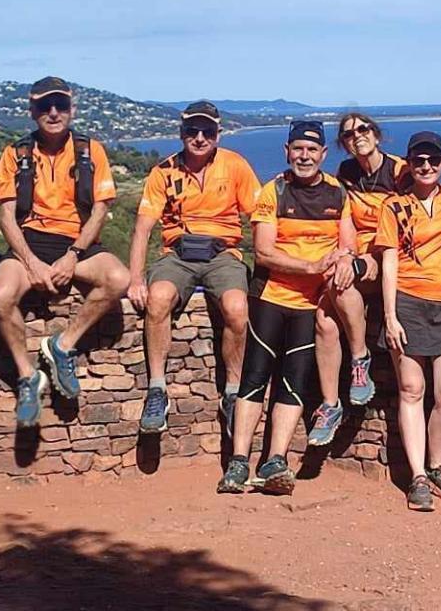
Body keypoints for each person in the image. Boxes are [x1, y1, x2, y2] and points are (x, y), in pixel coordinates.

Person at [217, 121, 358, 495]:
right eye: (298, 149)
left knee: (293, 384)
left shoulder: (337, 193)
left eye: (312, 150)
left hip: (312, 305)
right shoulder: (272, 192)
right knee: (254, 379)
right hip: (271, 298)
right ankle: (238, 462)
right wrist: (311, 266)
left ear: (323, 155)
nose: (304, 156)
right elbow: (263, 251)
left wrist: (345, 259)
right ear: (287, 151)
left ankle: (275, 460)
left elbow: (348, 243)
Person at [0, 77, 130, 428]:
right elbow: (5, 215)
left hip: (76, 241)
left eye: (60, 106)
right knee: (1, 296)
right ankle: (27, 376)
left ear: (72, 109)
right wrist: (31, 262)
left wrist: (73, 254)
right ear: (32, 111)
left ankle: (62, 345)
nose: (53, 113)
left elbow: (99, 210)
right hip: (30, 239)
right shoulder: (15, 153)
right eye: (44, 106)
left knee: (118, 279)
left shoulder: (89, 150)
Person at [130, 100, 260, 435]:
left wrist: (265, 267)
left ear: (218, 133)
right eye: (192, 130)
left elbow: (259, 217)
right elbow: (143, 226)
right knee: (157, 299)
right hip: (177, 254)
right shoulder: (164, 171)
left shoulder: (236, 166)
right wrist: (134, 279)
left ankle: (232, 392)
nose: (200, 137)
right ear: (181, 132)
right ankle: (157, 389)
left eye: (207, 131)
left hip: (224, 254)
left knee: (236, 307)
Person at [373, 131, 441, 510]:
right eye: (419, 161)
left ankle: (439, 464)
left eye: (433, 160)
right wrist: (390, 315)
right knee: (411, 390)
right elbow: (390, 261)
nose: (426, 167)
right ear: (409, 164)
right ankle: (417, 476)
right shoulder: (394, 206)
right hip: (409, 303)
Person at [324, 112, 400, 422]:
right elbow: (345, 220)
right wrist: (347, 255)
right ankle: (355, 365)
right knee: (326, 311)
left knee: (341, 282)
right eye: (348, 134)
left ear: (376, 134)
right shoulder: (347, 172)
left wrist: (372, 258)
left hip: (393, 254)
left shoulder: (400, 171)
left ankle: (358, 358)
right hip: (359, 253)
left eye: (363, 129)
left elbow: (409, 222)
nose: (357, 136)